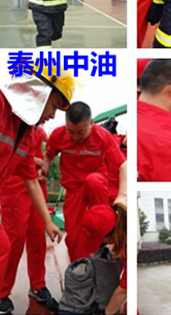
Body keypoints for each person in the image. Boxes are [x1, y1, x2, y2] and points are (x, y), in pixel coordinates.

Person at [0, 67, 72, 314]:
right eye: (54, 106)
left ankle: (38, 285)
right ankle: (0, 292)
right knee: (12, 240)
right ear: (39, 92)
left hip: (31, 185)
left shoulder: (29, 131)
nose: (52, 115)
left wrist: (49, 222)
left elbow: (30, 178)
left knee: (38, 237)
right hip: (11, 185)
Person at [44, 102, 127, 261]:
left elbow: (123, 165)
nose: (75, 137)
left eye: (81, 132)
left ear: (91, 123)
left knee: (93, 183)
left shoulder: (103, 136)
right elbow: (48, 156)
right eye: (71, 131)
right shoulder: (58, 135)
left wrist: (122, 195)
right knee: (74, 236)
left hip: (96, 187)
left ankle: (100, 255)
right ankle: (80, 267)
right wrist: (45, 166)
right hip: (73, 191)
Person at [82, 204, 127, 315]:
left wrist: (106, 313)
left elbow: (124, 289)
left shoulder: (130, 246)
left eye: (100, 240)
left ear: (109, 236)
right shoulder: (118, 212)